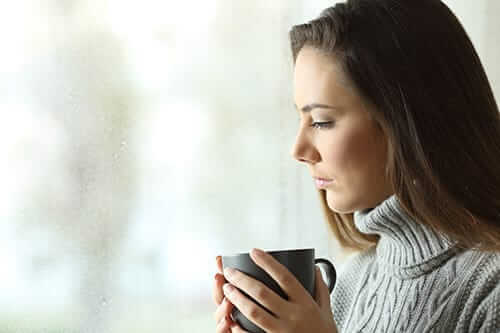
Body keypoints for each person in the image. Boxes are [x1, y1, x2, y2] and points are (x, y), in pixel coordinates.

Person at [213, 0, 500, 331]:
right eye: (300, 118)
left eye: (321, 121)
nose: (299, 149)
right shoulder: (353, 280)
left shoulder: (490, 287)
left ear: (409, 123)